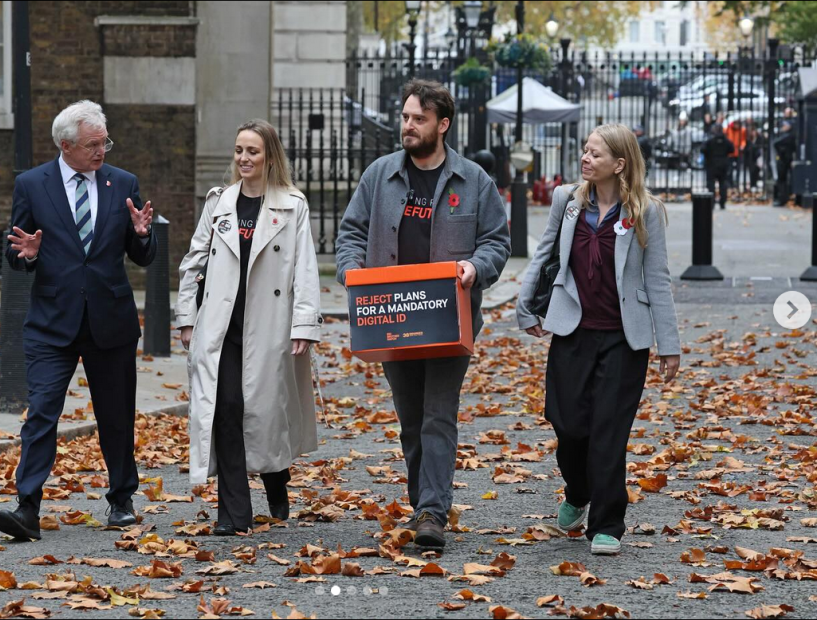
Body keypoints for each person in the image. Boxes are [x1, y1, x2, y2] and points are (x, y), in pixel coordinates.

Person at [335, 79, 510, 548]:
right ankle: (423, 504)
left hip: (449, 317)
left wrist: (475, 267)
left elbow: (498, 241)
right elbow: (350, 233)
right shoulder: (379, 175)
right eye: (406, 117)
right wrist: (351, 273)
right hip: (391, 316)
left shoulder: (474, 180)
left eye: (419, 119)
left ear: (443, 125)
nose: (408, 126)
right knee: (410, 418)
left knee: (438, 414)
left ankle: (433, 512)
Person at [515, 123, 680, 556]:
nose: (586, 159)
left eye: (595, 154)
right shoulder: (567, 201)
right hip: (572, 330)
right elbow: (545, 253)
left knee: (609, 430)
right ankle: (578, 491)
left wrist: (669, 344)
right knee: (566, 424)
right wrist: (524, 305)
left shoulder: (646, 210)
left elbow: (657, 279)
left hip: (625, 338)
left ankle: (607, 523)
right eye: (585, 151)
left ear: (619, 164)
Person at [0, 100, 157, 540]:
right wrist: (24, 254)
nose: (102, 150)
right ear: (66, 145)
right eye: (93, 144)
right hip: (52, 322)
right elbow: (16, 248)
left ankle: (121, 500)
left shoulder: (121, 182)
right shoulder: (32, 184)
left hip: (111, 319)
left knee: (116, 415)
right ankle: (27, 507)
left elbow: (141, 255)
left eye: (105, 141)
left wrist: (144, 235)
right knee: (42, 413)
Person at [175, 120, 321, 535]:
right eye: (239, 150)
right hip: (222, 326)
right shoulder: (218, 203)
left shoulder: (292, 204)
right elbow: (194, 261)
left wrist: (304, 323)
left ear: (269, 156)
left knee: (264, 413)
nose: (243, 158)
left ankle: (277, 480)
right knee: (226, 409)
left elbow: (304, 269)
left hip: (269, 325)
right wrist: (187, 316)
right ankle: (233, 514)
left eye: (252, 151)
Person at [701, 124, 735, 209]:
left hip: (711, 164)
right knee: (723, 183)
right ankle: (722, 203)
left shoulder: (710, 140)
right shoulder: (726, 140)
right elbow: (732, 149)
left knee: (711, 184)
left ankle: (711, 203)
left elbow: (703, 149)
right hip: (723, 164)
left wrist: (708, 155)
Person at [774, 121, 797, 207]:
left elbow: (776, 143)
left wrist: (781, 153)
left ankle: (784, 198)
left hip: (785, 160)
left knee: (783, 180)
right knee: (782, 179)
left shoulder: (789, 135)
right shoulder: (785, 135)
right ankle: (783, 198)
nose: (783, 127)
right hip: (785, 159)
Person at [743, 122, 764, 192]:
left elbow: (761, 147)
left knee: (756, 172)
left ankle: (755, 185)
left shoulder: (759, 138)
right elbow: (746, 149)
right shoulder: (748, 140)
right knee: (751, 172)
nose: (753, 133)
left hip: (757, 158)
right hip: (750, 159)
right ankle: (752, 185)